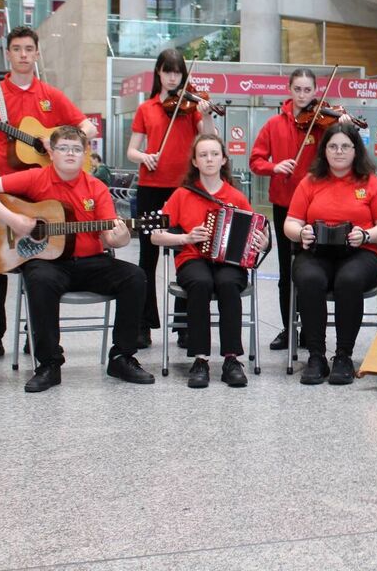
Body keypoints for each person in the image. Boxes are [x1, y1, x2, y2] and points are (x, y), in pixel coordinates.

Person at [0, 126, 154, 393]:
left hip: (91, 261)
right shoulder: (36, 178)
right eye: (64, 148)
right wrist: (14, 220)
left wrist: (121, 237)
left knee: (135, 276)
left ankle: (121, 357)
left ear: (85, 155)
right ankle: (49, 364)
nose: (70, 153)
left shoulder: (96, 187)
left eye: (77, 149)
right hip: (49, 263)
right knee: (40, 279)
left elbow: (111, 238)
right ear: (52, 153)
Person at [0, 26, 96, 363]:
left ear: (37, 54)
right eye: (17, 49)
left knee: (40, 265)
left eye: (28, 49)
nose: (23, 55)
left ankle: (38, 336)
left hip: (43, 195)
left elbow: (87, 127)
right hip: (2, 192)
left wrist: (64, 140)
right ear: (8, 54)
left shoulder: (51, 94)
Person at [153, 135, 267, 389]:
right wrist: (186, 236)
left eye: (214, 154)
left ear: (224, 159)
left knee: (228, 283)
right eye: (203, 155)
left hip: (229, 262)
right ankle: (200, 359)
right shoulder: (181, 195)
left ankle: (231, 359)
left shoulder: (236, 196)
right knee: (200, 282)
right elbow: (154, 235)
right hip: (193, 257)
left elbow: (258, 234)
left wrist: (263, 242)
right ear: (194, 161)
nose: (209, 159)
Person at [250, 68, 352, 351]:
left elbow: (343, 149)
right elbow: (255, 161)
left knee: (313, 268)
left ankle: (311, 328)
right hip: (284, 204)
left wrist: (343, 125)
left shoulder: (324, 123)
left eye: (309, 90)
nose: (304, 96)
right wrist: (275, 166)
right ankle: (288, 328)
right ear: (289, 89)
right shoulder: (273, 124)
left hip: (317, 206)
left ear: (316, 91)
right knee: (286, 271)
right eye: (298, 90)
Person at [126, 48, 217, 348]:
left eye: (178, 72)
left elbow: (209, 139)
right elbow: (131, 151)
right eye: (168, 71)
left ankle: (184, 325)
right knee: (147, 257)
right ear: (159, 73)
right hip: (151, 187)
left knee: (187, 253)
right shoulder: (146, 108)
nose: (173, 76)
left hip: (184, 190)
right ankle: (143, 324)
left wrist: (205, 114)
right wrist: (145, 156)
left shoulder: (191, 108)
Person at [284, 124, 377, 386]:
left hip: (361, 253)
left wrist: (366, 235)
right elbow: (290, 224)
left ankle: (343, 356)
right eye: (332, 146)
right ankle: (316, 356)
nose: (338, 151)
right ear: (324, 150)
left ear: (356, 150)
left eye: (345, 146)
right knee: (309, 279)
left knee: (348, 280)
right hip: (316, 252)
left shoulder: (371, 183)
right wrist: (301, 233)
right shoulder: (310, 182)